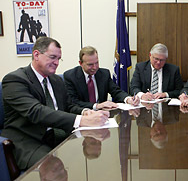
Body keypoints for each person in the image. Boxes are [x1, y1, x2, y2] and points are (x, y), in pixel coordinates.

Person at [1, 37, 109, 170]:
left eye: (59, 58)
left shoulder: (56, 80)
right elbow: (36, 112)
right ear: (36, 55)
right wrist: (82, 120)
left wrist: (85, 112)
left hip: (59, 135)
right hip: (30, 140)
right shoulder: (15, 80)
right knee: (53, 169)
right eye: (53, 57)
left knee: (93, 160)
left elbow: (68, 106)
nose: (57, 63)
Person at [64, 46, 139, 110]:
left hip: (103, 115)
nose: (94, 67)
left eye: (96, 63)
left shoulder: (104, 74)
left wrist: (128, 99)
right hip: (83, 116)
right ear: (80, 63)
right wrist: (97, 106)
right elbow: (73, 102)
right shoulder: (70, 76)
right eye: (90, 64)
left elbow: (116, 92)